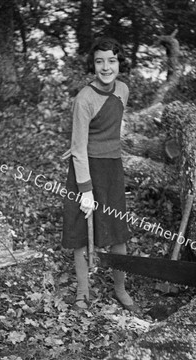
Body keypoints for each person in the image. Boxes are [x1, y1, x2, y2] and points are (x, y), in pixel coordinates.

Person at [62, 36, 139, 312]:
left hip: (111, 169)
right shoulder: (84, 99)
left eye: (112, 60)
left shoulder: (123, 90)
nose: (106, 67)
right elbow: (78, 148)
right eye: (99, 62)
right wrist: (85, 189)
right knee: (82, 233)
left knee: (118, 231)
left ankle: (120, 287)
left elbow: (115, 128)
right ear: (92, 65)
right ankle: (83, 292)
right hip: (86, 168)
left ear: (120, 63)